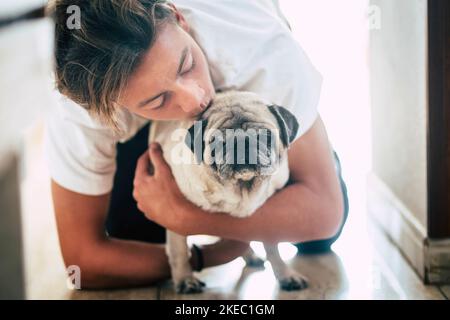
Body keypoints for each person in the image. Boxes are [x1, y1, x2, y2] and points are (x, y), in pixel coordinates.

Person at [46, 0, 348, 289]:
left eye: (187, 64)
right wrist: (208, 256)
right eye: (158, 99)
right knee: (137, 231)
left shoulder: (265, 54)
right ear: (111, 108)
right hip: (153, 138)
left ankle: (313, 145)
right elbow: (84, 262)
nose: (196, 98)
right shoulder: (79, 114)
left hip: (255, 94)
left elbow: (324, 213)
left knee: (315, 240)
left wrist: (190, 218)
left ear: (178, 18)